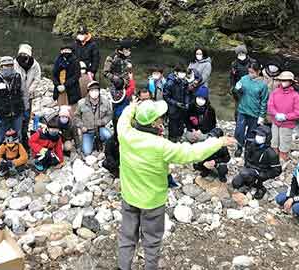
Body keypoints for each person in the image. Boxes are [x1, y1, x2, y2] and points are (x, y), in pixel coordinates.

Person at [117, 99, 236, 270]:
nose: (161, 119)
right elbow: (192, 153)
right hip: (152, 202)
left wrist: (133, 106)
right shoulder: (161, 145)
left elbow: (123, 118)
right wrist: (218, 142)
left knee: (127, 238)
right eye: (159, 117)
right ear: (153, 122)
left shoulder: (125, 134)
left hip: (129, 197)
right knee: (151, 242)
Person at [0, 56, 28, 146]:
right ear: (0, 67)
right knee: (0, 138)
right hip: (1, 115)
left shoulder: (19, 77)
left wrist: (26, 109)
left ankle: (18, 156)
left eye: (10, 65)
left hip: (17, 113)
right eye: (6, 65)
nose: (9, 67)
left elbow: (24, 94)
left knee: (17, 137)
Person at [232, 125, 282, 199]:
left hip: (262, 172)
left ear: (267, 138)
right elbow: (247, 158)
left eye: (261, 135)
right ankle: (249, 183)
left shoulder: (271, 153)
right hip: (251, 169)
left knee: (248, 177)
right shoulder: (252, 145)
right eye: (257, 134)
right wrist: (248, 167)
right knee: (236, 183)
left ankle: (261, 187)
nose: (258, 136)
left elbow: (277, 170)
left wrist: (264, 175)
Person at [233, 62, 268, 157]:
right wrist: (236, 88)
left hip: (254, 113)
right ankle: (239, 146)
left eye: (252, 72)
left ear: (258, 72)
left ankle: (248, 148)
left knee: (251, 133)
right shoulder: (244, 79)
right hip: (242, 110)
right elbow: (235, 92)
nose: (250, 74)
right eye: (249, 72)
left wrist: (262, 116)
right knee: (239, 131)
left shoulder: (263, 84)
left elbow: (264, 101)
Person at [14, 43, 42, 151]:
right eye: (21, 54)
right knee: (17, 117)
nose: (23, 56)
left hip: (29, 95)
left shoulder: (35, 65)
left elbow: (37, 78)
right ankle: (18, 138)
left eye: (25, 54)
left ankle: (25, 138)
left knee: (26, 116)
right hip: (17, 95)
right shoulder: (15, 63)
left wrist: (30, 90)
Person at [74, 81, 113, 156]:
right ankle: (93, 141)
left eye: (96, 90)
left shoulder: (105, 102)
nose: (94, 92)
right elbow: (76, 117)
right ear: (88, 92)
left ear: (99, 91)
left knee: (109, 136)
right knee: (87, 152)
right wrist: (81, 126)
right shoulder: (81, 103)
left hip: (100, 129)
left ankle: (100, 142)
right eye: (92, 90)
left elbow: (109, 115)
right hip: (87, 131)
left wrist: (103, 121)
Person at [267, 71, 299, 161]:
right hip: (275, 122)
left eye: (285, 80)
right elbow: (270, 105)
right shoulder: (275, 92)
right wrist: (275, 114)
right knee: (274, 141)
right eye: (281, 80)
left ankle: (282, 160)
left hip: (287, 124)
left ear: (291, 82)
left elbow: (297, 112)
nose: (283, 82)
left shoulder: (295, 96)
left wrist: (286, 116)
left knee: (284, 143)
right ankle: (273, 159)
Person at [163, 63, 189, 142]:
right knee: (173, 125)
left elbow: (187, 93)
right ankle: (172, 139)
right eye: (181, 72)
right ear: (175, 72)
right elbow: (166, 96)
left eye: (184, 72)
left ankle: (179, 137)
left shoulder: (184, 81)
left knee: (181, 124)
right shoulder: (170, 83)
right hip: (173, 108)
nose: (183, 74)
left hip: (182, 107)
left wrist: (187, 102)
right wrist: (176, 103)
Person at [229, 45, 256, 120]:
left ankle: (250, 120)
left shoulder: (252, 62)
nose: (241, 55)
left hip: (251, 87)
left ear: (246, 53)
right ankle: (238, 121)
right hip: (238, 88)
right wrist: (232, 87)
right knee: (238, 106)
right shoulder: (234, 64)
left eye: (242, 53)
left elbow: (257, 76)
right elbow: (232, 77)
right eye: (239, 54)